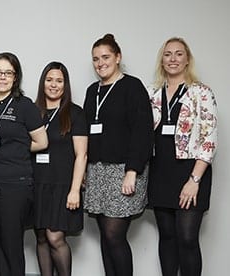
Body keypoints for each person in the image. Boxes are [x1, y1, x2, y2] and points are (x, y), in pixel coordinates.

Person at [82, 34, 153, 276]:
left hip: (124, 170)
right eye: (95, 59)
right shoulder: (93, 91)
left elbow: (142, 133)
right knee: (105, 234)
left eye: (105, 57)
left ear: (118, 57)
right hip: (97, 171)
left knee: (114, 235)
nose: (100, 63)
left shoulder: (132, 87)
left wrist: (132, 171)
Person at [147, 37, 217, 276]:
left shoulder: (201, 93)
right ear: (162, 60)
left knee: (187, 237)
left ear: (187, 60)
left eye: (178, 54)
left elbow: (209, 139)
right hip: (160, 172)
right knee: (167, 236)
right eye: (168, 54)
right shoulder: (153, 94)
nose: (173, 59)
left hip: (190, 172)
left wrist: (194, 180)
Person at [0, 52, 48, 276]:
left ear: (15, 77)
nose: (3, 77)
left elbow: (41, 141)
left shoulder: (25, 105)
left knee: (10, 240)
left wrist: (15, 148)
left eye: (8, 73)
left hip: (15, 183)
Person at [32, 61, 88, 276]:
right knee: (40, 237)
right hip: (36, 183)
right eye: (49, 80)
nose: (53, 85)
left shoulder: (74, 113)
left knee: (55, 237)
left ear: (65, 85)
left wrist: (75, 190)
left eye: (59, 81)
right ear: (42, 83)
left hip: (62, 185)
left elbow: (81, 155)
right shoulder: (33, 111)